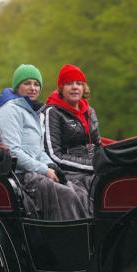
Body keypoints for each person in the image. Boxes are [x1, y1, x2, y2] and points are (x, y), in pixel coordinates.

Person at [0, 64, 88, 220]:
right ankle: (69, 238)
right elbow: (13, 151)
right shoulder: (10, 111)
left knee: (79, 191)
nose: (33, 88)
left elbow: (39, 151)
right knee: (67, 194)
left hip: (36, 171)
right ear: (17, 86)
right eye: (27, 83)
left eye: (36, 84)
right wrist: (44, 170)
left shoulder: (35, 112)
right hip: (20, 175)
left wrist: (52, 167)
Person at [40, 64, 100, 212]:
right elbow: (54, 155)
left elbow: (98, 145)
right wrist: (92, 166)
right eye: (69, 83)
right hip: (70, 173)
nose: (75, 87)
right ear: (61, 88)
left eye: (79, 83)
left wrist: (103, 162)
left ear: (83, 88)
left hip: (93, 168)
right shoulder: (52, 112)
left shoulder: (90, 111)